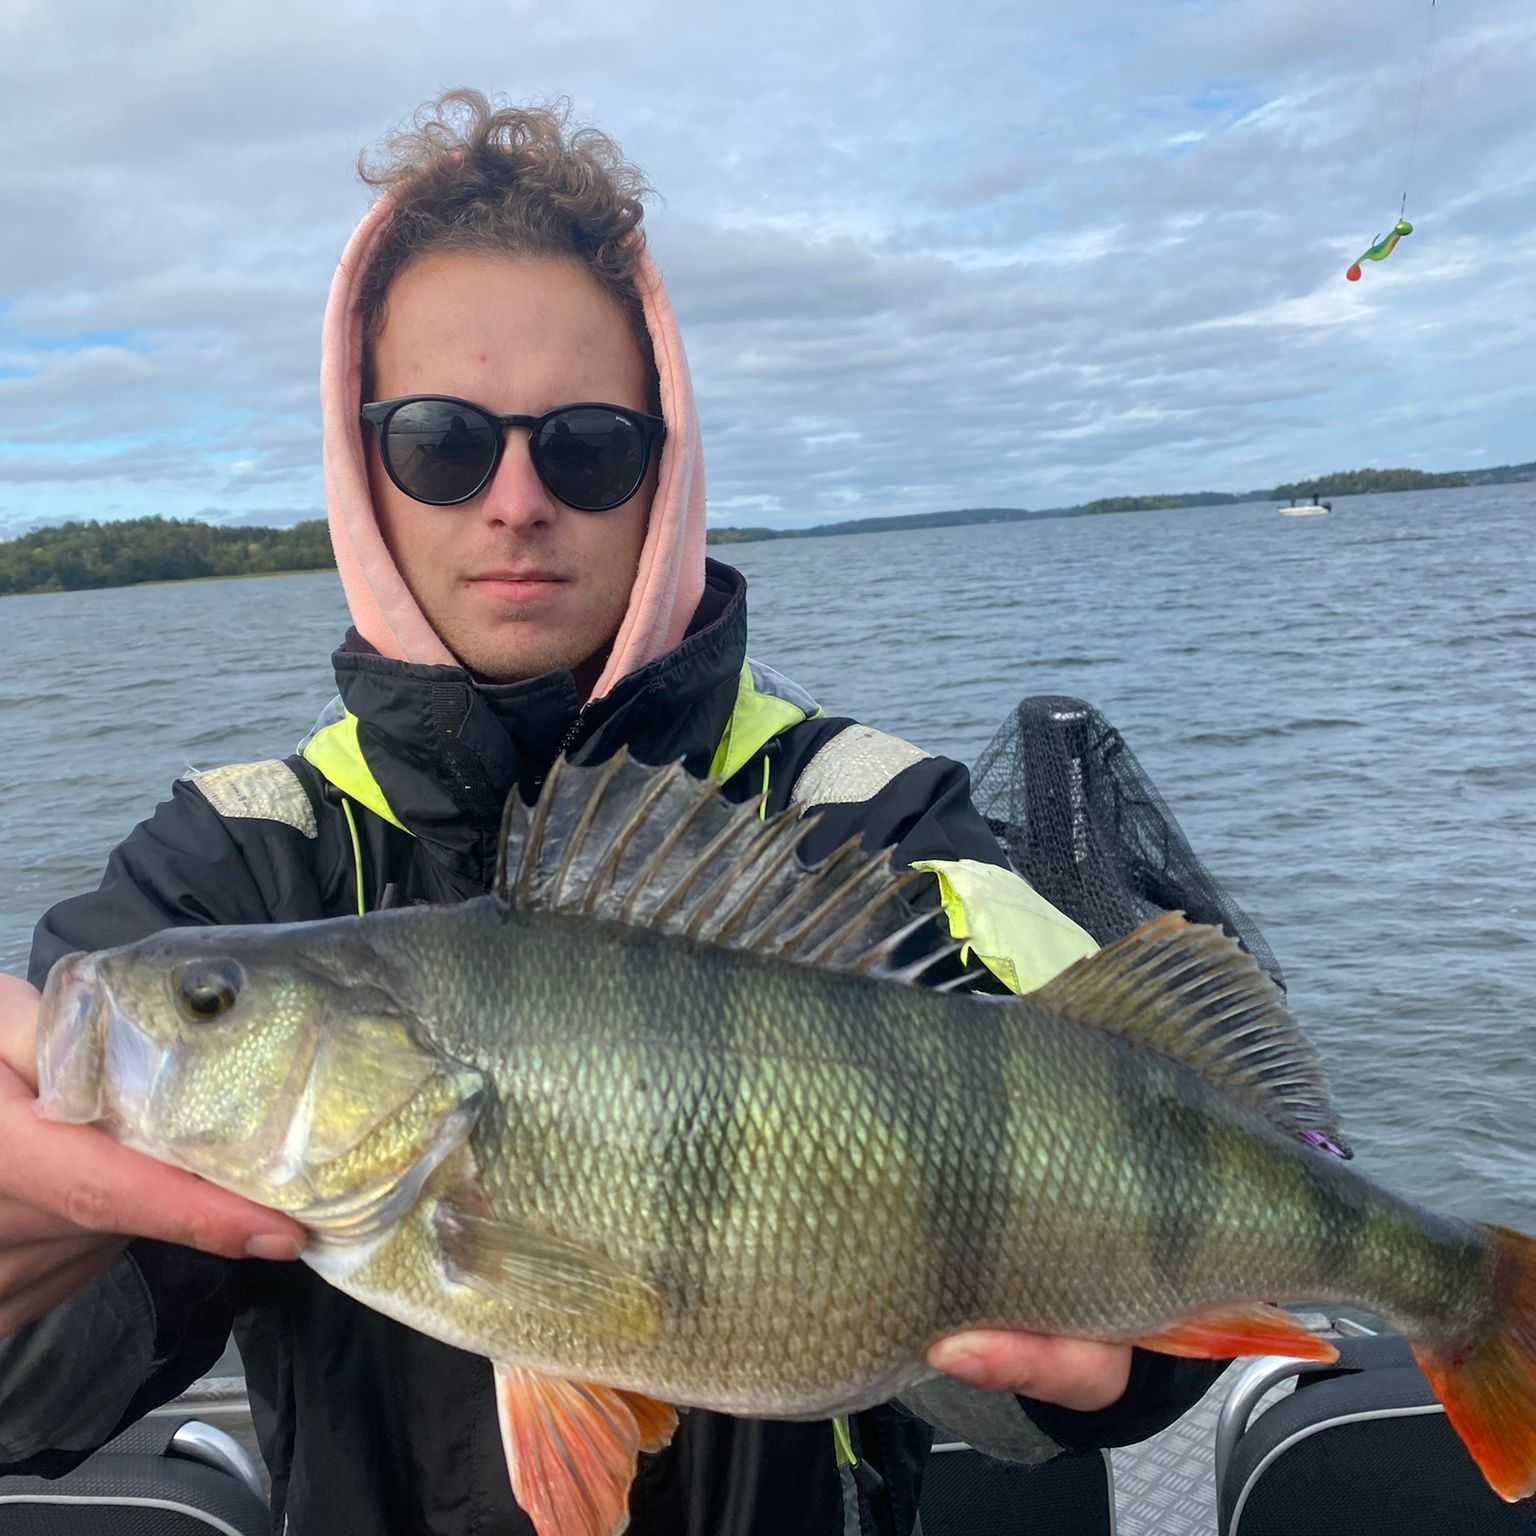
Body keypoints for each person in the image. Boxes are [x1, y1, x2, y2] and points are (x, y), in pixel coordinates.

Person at [0, 91, 1225, 1534]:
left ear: (666, 468)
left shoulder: (872, 825)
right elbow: (45, 1402)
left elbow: (1151, 1182)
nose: (516, 502)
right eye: (444, 443)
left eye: (584, 446)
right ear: (362, 467)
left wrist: (1124, 1369)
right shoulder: (231, 871)